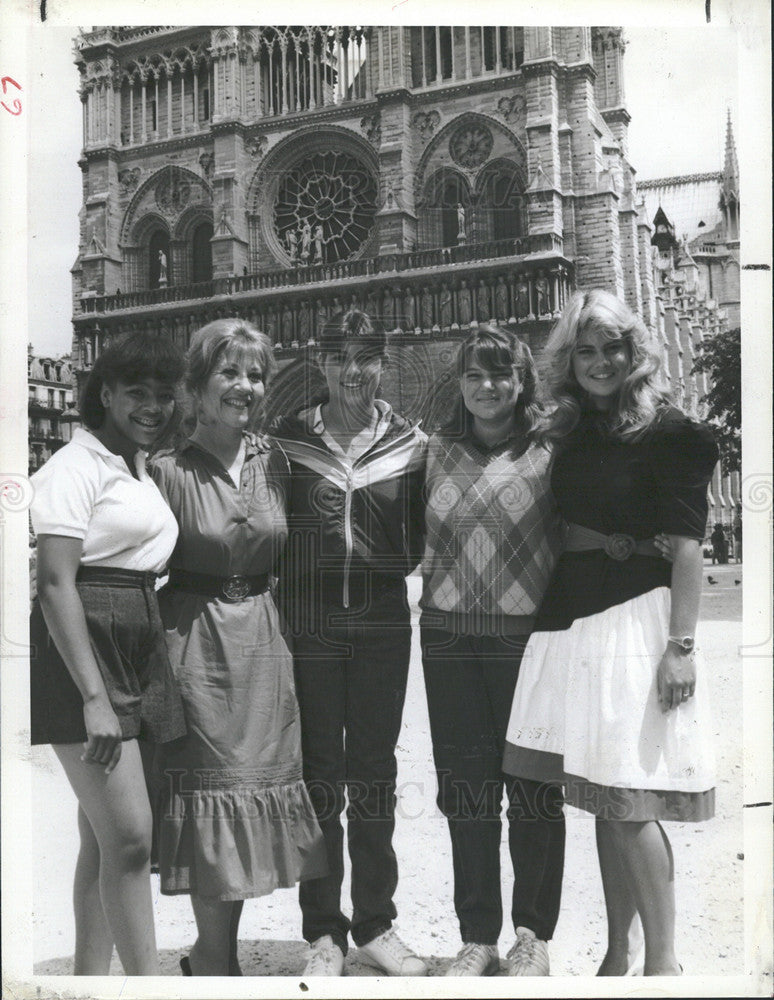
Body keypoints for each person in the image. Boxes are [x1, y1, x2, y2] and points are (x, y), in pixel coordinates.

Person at [503, 289, 718, 976]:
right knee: (601, 793)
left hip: (638, 620)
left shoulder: (674, 432)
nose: (599, 362)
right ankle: (618, 952)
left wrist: (681, 648)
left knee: (628, 799)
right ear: (570, 359)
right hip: (573, 619)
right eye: (585, 351)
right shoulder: (568, 429)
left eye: (611, 348)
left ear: (635, 350)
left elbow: (688, 550)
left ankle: (665, 963)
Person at [150, 319, 327, 976]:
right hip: (195, 646)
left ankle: (212, 956)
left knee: (250, 795)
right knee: (211, 795)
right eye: (230, 372)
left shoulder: (276, 460)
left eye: (255, 374)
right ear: (196, 386)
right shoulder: (164, 472)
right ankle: (216, 960)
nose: (246, 386)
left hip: (263, 641)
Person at [269, 309, 428, 977]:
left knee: (374, 773)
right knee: (317, 779)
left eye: (367, 357)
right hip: (308, 626)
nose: (354, 369)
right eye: (342, 356)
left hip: (382, 625)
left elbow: (419, 536)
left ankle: (375, 923)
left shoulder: (410, 444)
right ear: (322, 362)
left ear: (382, 364)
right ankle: (323, 931)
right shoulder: (285, 442)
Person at [29, 331, 187, 975]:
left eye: (162, 395)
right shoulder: (75, 466)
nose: (151, 406)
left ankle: (88, 983)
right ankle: (147, 987)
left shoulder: (136, 465)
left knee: (101, 840)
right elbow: (55, 582)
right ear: (105, 395)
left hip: (135, 634)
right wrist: (93, 698)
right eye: (135, 394)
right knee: (129, 841)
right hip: (87, 646)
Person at [420, 325, 567, 976]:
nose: (487, 386)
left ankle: (532, 935)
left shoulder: (551, 450)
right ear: (458, 384)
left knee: (534, 789)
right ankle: (478, 935)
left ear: (521, 381)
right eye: (475, 375)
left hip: (527, 643)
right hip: (448, 639)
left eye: (501, 374)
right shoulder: (431, 453)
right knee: (466, 792)